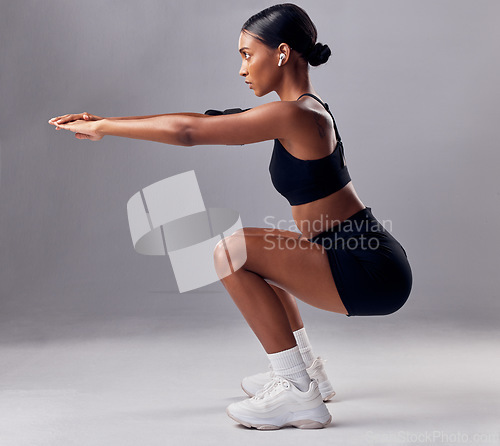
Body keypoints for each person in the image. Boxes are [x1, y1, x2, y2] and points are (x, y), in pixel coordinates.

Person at [48, 3, 412, 431]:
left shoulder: (296, 115)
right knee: (254, 255)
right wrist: (106, 121)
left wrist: (106, 127)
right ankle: (308, 371)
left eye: (246, 54)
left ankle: (297, 391)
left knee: (231, 251)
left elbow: (188, 133)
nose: (241, 68)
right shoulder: (297, 111)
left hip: (366, 265)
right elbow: (204, 122)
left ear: (280, 53)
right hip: (355, 255)